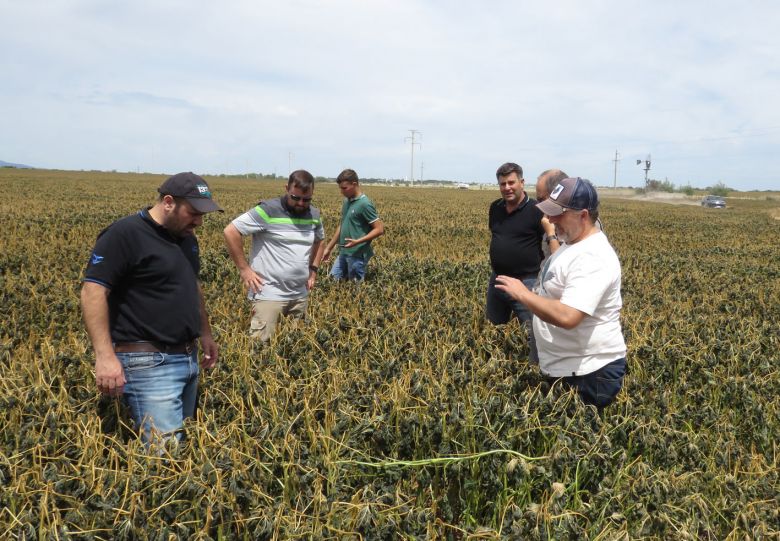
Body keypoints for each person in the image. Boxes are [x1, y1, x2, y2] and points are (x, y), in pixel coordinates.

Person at [81, 172, 222, 443]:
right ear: (168, 202)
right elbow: (93, 291)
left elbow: (191, 287)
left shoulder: (186, 239)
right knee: (165, 460)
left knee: (187, 448)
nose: (199, 222)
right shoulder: (125, 234)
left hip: (188, 357)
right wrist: (105, 356)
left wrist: (205, 333)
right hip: (148, 364)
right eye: (193, 213)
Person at [495, 177, 627, 409]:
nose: (550, 220)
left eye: (558, 214)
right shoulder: (572, 241)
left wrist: (522, 293)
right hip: (566, 367)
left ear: (583, 215)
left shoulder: (593, 256)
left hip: (588, 375)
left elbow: (568, 315)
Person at [223, 170, 325, 343]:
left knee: (296, 350)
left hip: (299, 296)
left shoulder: (314, 215)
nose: (301, 203)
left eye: (306, 199)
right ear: (286, 188)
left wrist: (313, 270)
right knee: (260, 351)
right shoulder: (267, 210)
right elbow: (231, 231)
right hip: (268, 295)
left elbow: (320, 241)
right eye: (296, 197)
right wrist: (244, 269)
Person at [486, 162, 550, 362]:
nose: (507, 188)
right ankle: (497, 366)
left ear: (522, 183)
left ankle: (533, 372)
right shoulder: (495, 208)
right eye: (503, 184)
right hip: (497, 280)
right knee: (494, 331)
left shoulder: (536, 210)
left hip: (526, 282)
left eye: (511, 182)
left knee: (534, 335)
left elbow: (548, 241)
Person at [322, 169, 384, 281]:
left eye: (344, 188)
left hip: (357, 254)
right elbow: (342, 225)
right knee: (332, 281)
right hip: (343, 252)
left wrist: (358, 241)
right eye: (340, 188)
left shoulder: (365, 204)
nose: (341, 191)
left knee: (355, 290)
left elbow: (379, 229)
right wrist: (328, 248)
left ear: (354, 184)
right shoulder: (347, 201)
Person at [535, 169, 568, 260]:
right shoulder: (550, 218)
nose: (539, 206)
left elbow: (561, 265)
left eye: (541, 200)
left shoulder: (578, 223)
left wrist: (551, 235)